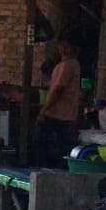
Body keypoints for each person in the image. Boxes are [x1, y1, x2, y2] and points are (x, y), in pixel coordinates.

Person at [34, 36, 82, 167]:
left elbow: (58, 89)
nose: (63, 49)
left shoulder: (67, 65)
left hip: (57, 114)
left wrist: (44, 109)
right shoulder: (72, 64)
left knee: (47, 147)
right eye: (61, 45)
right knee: (61, 147)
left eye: (66, 46)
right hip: (65, 114)